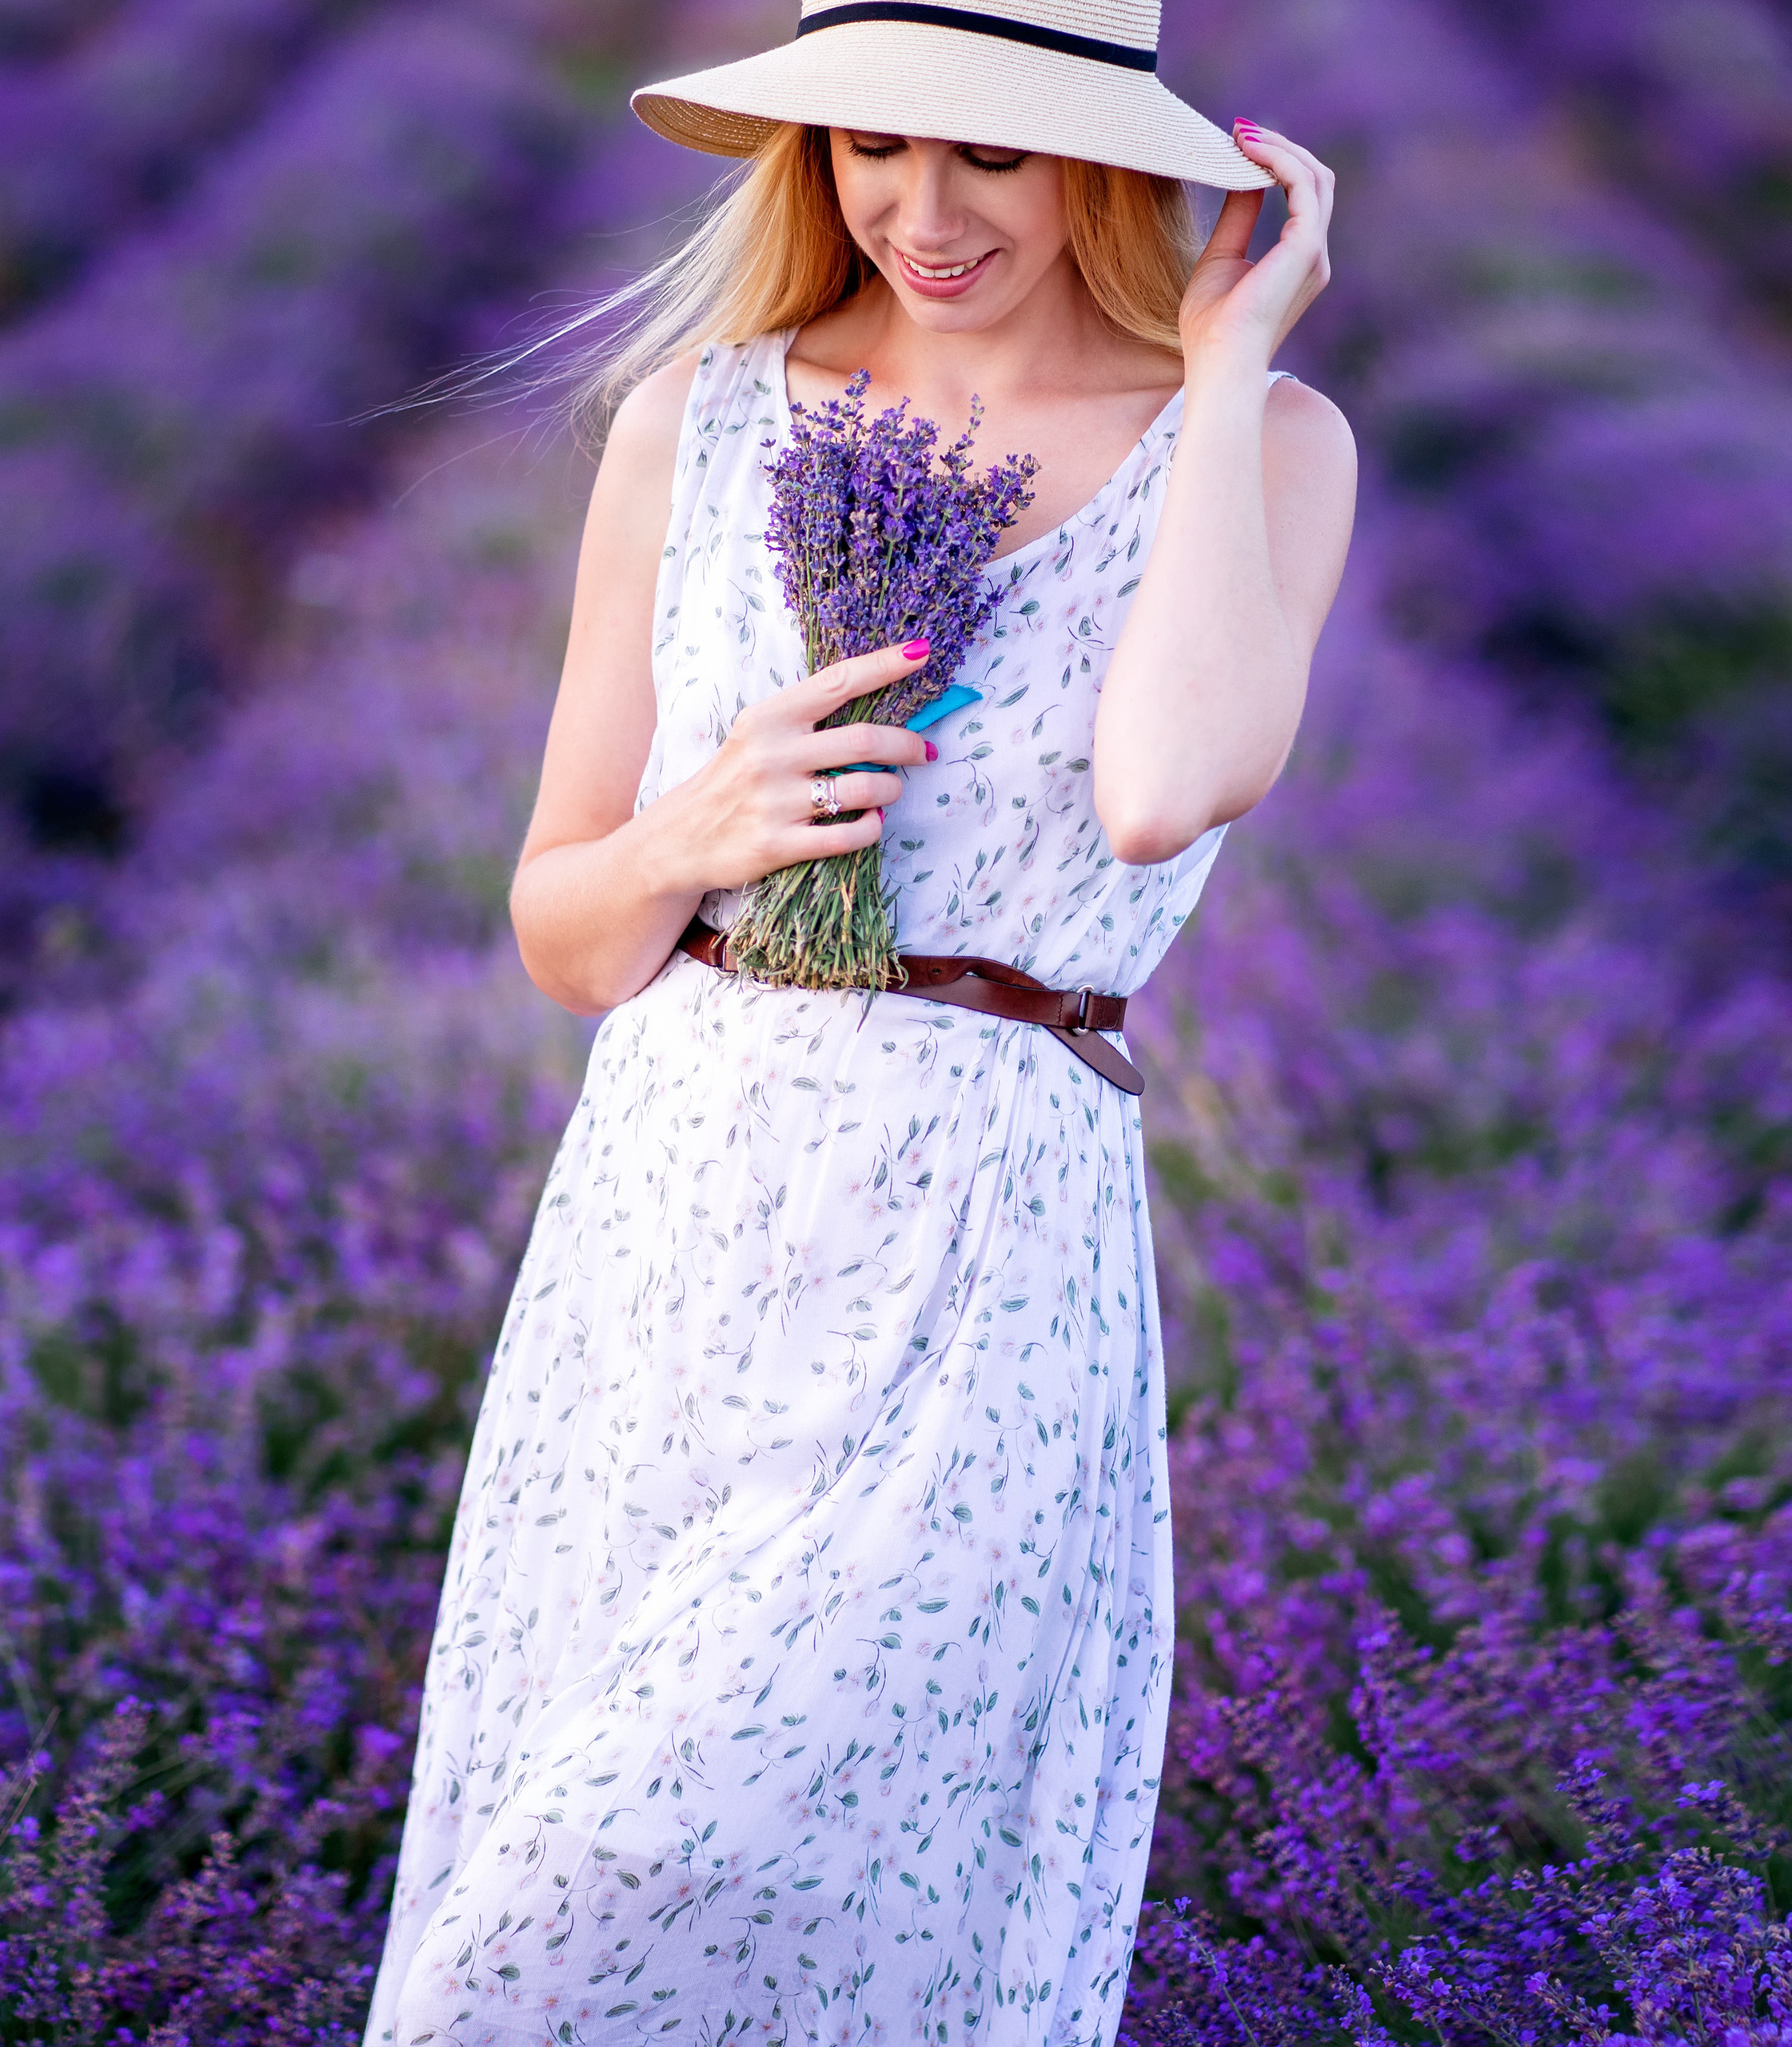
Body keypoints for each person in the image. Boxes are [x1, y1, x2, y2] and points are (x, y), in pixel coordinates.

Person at [365, 0, 1355, 2037]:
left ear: (1104, 159)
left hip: (983, 1240)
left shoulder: (1265, 444)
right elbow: (563, 931)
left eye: (986, 150)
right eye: (869, 147)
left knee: (836, 1870)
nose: (921, 205)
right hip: (671, 1212)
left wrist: (1228, 362)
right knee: (561, 1869)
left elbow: (1164, 786)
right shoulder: (698, 418)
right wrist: (696, 833)